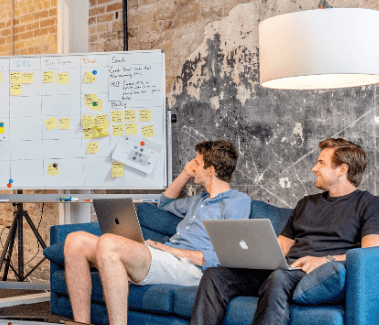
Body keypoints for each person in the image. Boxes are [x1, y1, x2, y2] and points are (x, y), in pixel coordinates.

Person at [191, 138, 379, 325]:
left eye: (321, 163)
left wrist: (325, 260)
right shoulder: (306, 203)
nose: (314, 168)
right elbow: (281, 246)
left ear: (342, 169)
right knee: (215, 275)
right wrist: (252, 257)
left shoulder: (369, 204)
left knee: (278, 277)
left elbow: (370, 255)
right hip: (287, 269)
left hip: (316, 272)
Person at [64, 140, 251, 325]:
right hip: (167, 256)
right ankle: (81, 323)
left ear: (210, 170)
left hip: (190, 267)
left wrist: (179, 252)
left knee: (109, 243)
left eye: (196, 162)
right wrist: (185, 173)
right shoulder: (198, 200)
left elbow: (231, 254)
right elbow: (165, 203)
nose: (191, 165)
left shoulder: (236, 201)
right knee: (76, 240)